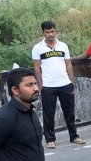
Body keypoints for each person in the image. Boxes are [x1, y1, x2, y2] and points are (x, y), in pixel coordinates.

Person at [32, 20, 86, 149]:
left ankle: (74, 136)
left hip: (65, 84)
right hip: (48, 86)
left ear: (56, 31)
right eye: (47, 32)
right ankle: (50, 139)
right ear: (43, 33)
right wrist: (41, 85)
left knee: (69, 112)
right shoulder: (38, 48)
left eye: (52, 31)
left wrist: (71, 83)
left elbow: (68, 64)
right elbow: (36, 68)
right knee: (48, 114)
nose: (50, 34)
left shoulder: (63, 46)